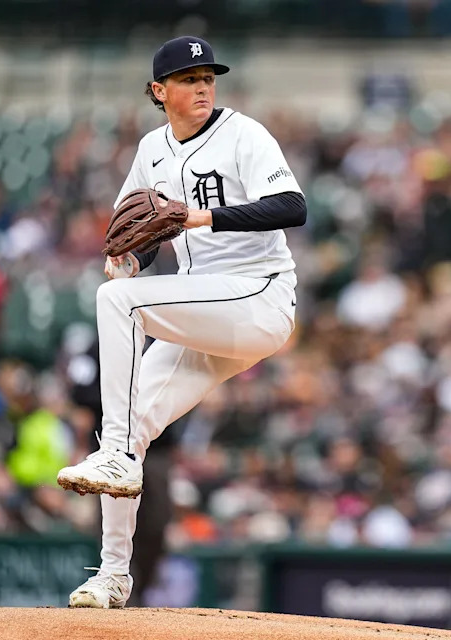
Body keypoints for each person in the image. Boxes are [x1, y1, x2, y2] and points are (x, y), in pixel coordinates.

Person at [55, 35, 306, 609]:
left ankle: (116, 457)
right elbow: (136, 232)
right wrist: (130, 258)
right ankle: (113, 576)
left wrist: (199, 217)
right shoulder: (152, 150)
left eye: (208, 78)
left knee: (118, 303)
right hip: (203, 310)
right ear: (158, 90)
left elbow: (292, 206)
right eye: (189, 79)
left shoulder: (243, 133)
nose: (202, 87)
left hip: (258, 296)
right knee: (128, 428)